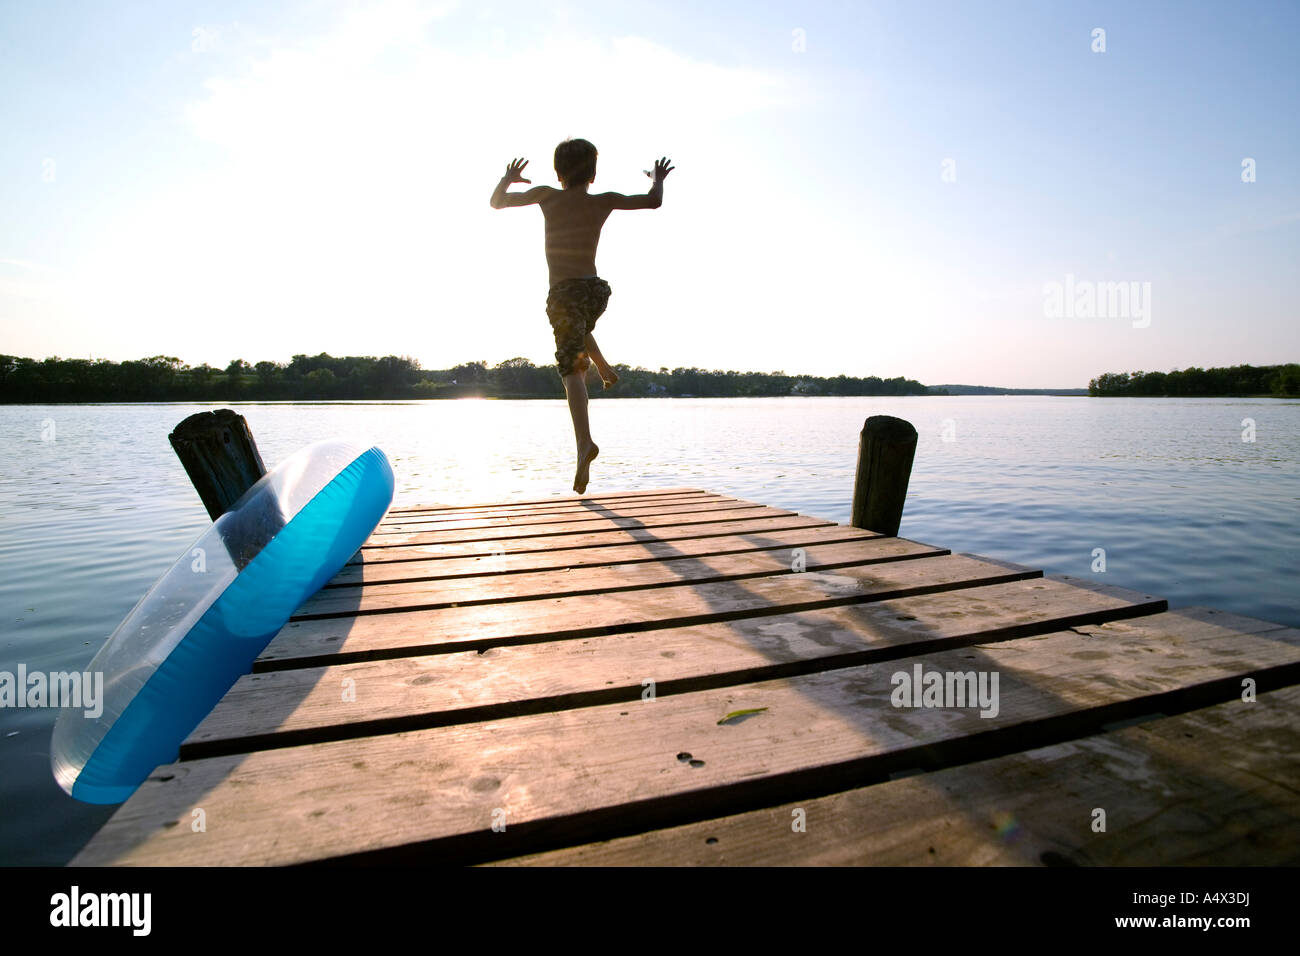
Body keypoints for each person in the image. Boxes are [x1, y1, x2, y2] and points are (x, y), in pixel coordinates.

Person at [490, 138, 673, 493]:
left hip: (563, 291)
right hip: (595, 290)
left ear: (559, 171)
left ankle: (584, 443)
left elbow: (496, 203)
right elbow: (654, 201)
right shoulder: (603, 201)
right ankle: (604, 368)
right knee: (577, 328)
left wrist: (508, 178)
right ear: (593, 172)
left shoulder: (547, 196)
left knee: (570, 367)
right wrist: (657, 178)